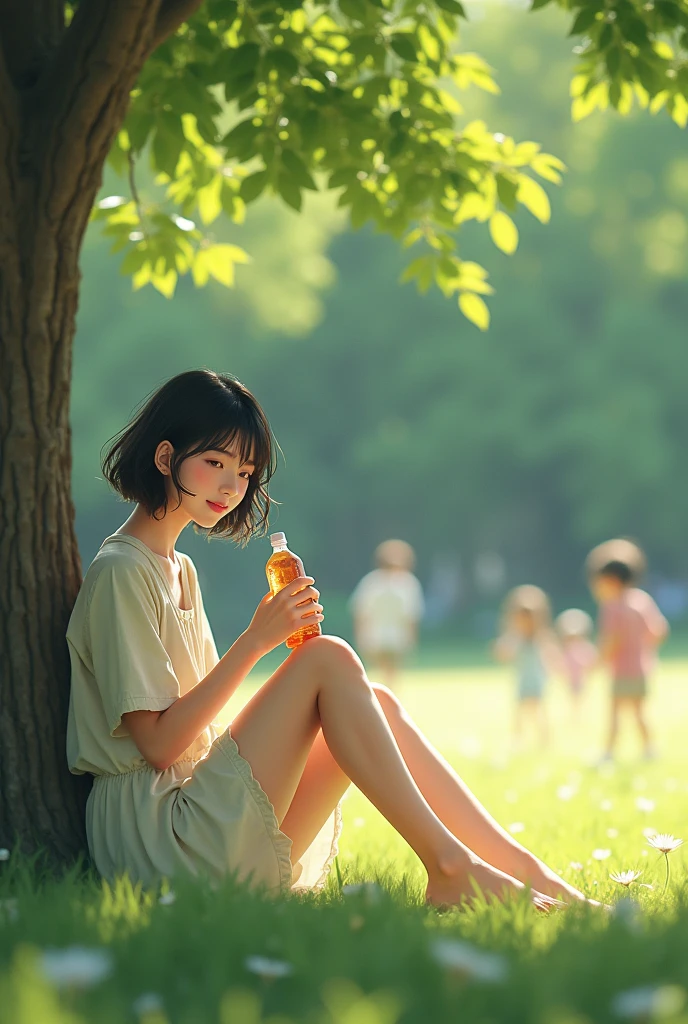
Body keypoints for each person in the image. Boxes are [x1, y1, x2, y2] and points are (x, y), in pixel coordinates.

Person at [66, 369, 592, 910]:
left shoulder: (179, 568)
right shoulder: (121, 571)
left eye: (244, 473)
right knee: (328, 658)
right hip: (157, 837)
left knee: (376, 704)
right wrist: (255, 641)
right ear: (164, 458)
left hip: (196, 804)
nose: (231, 487)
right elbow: (157, 745)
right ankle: (450, 867)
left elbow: (192, 729)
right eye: (215, 463)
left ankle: (528, 873)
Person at [586, 539, 669, 761]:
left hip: (621, 671)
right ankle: (650, 749)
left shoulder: (612, 606)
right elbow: (659, 631)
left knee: (614, 713)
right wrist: (641, 647)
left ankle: (608, 752)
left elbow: (611, 640)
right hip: (641, 668)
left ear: (610, 580)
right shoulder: (642, 601)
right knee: (639, 712)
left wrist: (598, 662)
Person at [349, 539, 424, 691]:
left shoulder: (372, 582)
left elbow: (360, 612)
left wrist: (360, 636)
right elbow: (412, 616)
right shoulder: (406, 583)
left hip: (381, 636)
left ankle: (382, 696)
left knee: (385, 671)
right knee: (390, 672)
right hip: (387, 636)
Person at [493, 585, 558, 750]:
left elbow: (551, 653)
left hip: (537, 679)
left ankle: (544, 740)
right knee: (520, 710)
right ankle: (517, 738)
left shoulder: (540, 637)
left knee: (539, 710)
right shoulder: (516, 637)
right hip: (522, 679)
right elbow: (503, 652)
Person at [555, 608, 598, 721]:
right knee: (572, 696)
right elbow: (561, 663)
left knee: (582, 695)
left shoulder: (585, 647)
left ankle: (581, 714)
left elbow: (591, 660)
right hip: (571, 679)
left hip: (581, 678)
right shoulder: (566, 649)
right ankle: (574, 714)